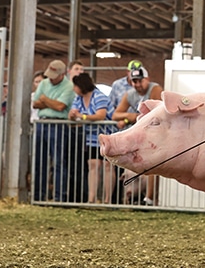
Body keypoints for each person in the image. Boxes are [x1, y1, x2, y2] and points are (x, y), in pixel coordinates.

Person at [112, 66, 162, 205]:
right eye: (134, 81)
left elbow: (156, 113)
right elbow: (116, 114)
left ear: (147, 79)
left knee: (153, 165)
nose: (138, 85)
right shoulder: (130, 94)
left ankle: (150, 198)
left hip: (153, 136)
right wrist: (132, 117)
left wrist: (128, 119)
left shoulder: (155, 89)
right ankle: (131, 198)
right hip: (139, 137)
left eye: (140, 81)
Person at [32, 60, 75, 202]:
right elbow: (36, 103)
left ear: (62, 74)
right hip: (43, 123)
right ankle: (38, 196)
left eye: (54, 75)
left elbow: (61, 107)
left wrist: (45, 100)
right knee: (39, 161)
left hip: (59, 125)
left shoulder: (69, 87)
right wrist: (51, 102)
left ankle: (59, 197)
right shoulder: (44, 83)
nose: (50, 78)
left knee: (58, 162)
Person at [69, 73, 115, 204]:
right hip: (92, 137)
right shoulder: (78, 99)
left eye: (75, 86)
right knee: (93, 165)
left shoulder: (99, 96)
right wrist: (72, 115)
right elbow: (71, 114)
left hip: (107, 135)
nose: (74, 89)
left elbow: (101, 115)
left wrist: (82, 116)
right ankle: (91, 198)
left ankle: (107, 199)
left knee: (107, 165)